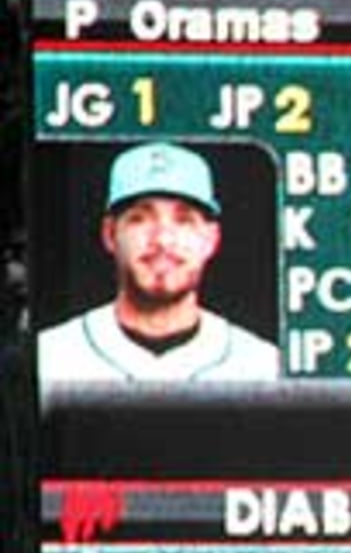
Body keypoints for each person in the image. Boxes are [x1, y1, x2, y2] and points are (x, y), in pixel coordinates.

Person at [38, 140, 281, 385]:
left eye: (184, 220)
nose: (163, 239)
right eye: (140, 219)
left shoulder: (264, 367)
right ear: (110, 234)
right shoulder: (49, 358)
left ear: (211, 239)